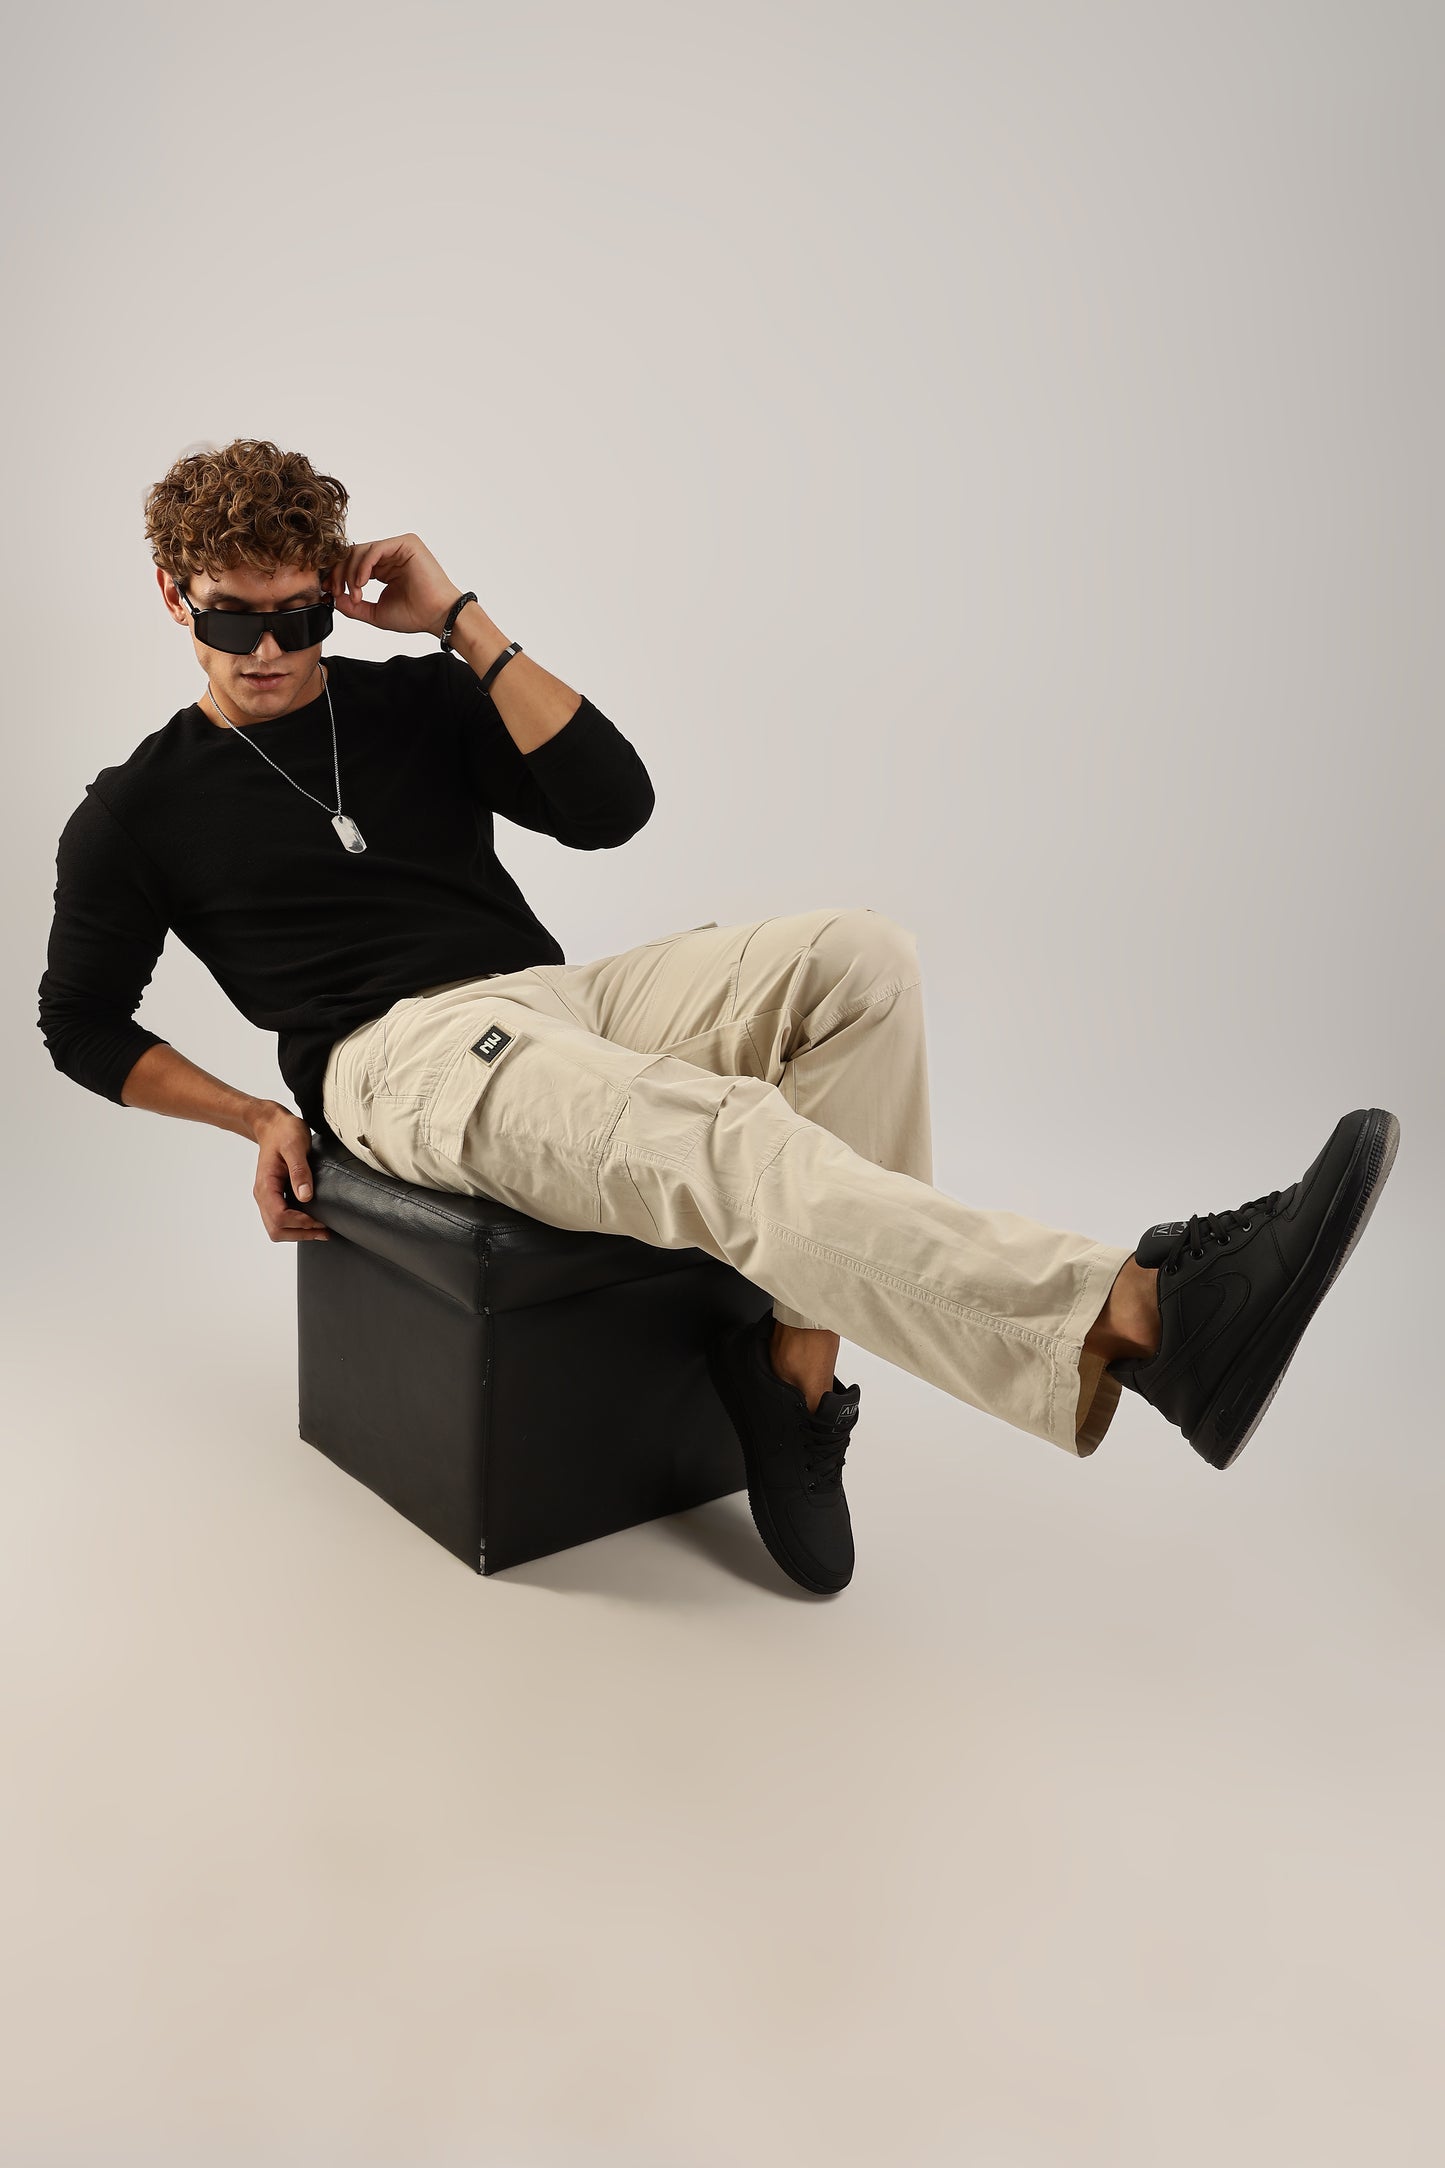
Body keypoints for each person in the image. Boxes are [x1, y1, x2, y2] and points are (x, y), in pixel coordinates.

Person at [37, 438, 1400, 1597]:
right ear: (172, 594)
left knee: (858, 959)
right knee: (727, 1131)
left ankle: (793, 1373)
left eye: (299, 619)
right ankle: (1145, 1315)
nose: (272, 651)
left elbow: (611, 807)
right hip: (398, 1061)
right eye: (236, 622)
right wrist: (254, 1116)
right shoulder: (135, 811)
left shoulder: (417, 700)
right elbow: (80, 1021)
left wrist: (462, 621)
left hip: (556, 998)